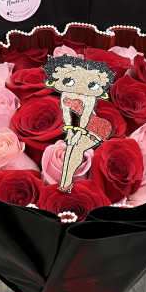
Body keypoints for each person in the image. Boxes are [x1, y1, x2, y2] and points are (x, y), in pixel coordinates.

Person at [42, 55, 115, 192]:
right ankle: (65, 183)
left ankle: (66, 183)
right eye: (70, 81)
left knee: (77, 149)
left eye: (92, 85)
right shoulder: (65, 95)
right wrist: (70, 131)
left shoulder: (89, 98)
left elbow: (86, 117)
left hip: (99, 127)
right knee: (69, 148)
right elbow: (66, 114)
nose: (81, 88)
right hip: (84, 127)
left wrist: (78, 134)